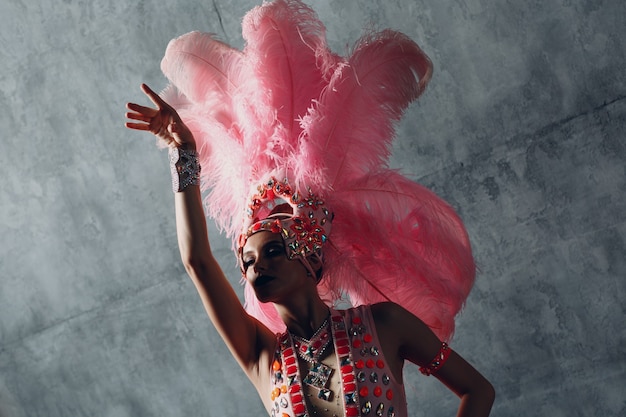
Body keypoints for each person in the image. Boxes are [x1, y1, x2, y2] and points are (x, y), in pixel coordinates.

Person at [125, 1, 495, 416]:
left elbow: (477, 391)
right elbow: (198, 262)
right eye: (247, 260)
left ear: (312, 262)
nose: (254, 268)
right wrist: (185, 154)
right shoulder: (262, 356)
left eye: (272, 252)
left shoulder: (385, 324)